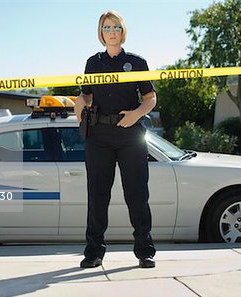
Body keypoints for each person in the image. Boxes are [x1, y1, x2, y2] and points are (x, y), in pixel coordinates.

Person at [74, 10, 157, 269]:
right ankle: (93, 252)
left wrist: (135, 115)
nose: (112, 32)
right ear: (101, 32)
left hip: (131, 135)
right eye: (107, 27)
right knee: (97, 196)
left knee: (137, 194)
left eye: (116, 27)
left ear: (123, 31)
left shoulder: (137, 61)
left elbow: (151, 98)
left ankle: (145, 251)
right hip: (99, 136)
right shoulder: (93, 63)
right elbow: (86, 96)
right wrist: (80, 105)